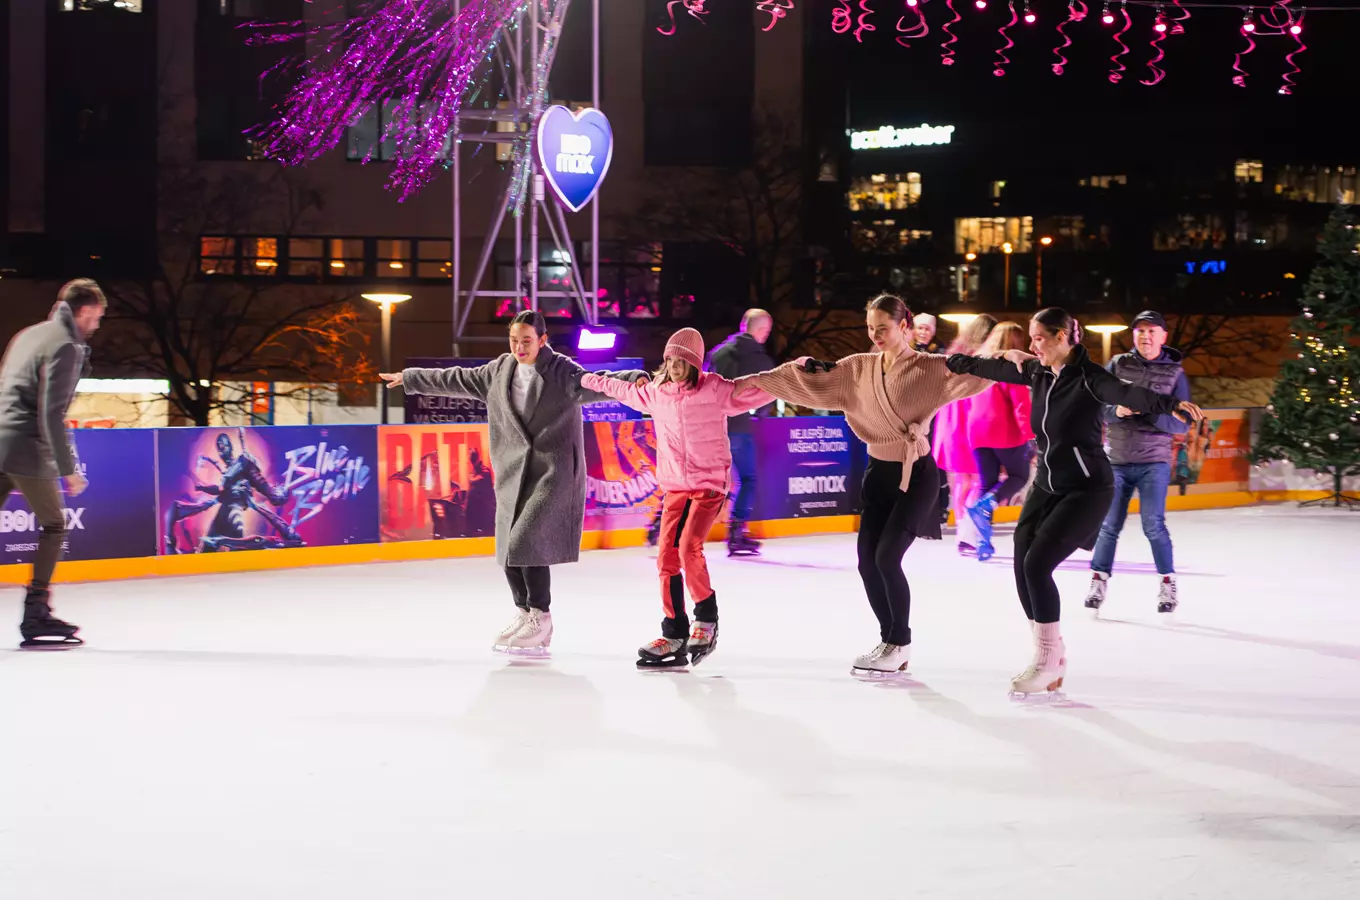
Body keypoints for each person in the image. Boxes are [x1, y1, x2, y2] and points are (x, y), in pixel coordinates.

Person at [946, 308, 1203, 695]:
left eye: (1039, 338)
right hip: (1047, 486)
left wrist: (1170, 405)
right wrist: (951, 360)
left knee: (1037, 565)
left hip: (1087, 489)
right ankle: (1051, 653)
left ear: (1063, 336)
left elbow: (1127, 393)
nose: (1032, 346)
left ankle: (1048, 661)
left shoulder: (1090, 377)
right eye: (1030, 339)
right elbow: (989, 369)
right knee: (1022, 559)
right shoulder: (1037, 372)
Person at [749, 295, 992, 678]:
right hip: (878, 474)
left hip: (916, 476)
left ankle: (900, 642)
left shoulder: (931, 367)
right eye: (870, 328)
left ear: (904, 326)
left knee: (886, 558)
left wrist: (1008, 361)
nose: (875, 335)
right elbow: (810, 384)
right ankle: (889, 642)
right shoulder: (857, 368)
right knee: (867, 563)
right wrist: (772, 376)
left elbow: (982, 375)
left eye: (883, 327)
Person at [381, 310, 644, 656]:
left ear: (542, 340)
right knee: (508, 550)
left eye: (527, 341)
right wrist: (411, 378)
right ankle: (524, 612)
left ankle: (541, 616)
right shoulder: (498, 372)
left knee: (526, 539)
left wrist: (635, 379)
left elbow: (597, 382)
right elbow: (455, 379)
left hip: (554, 470)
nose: (520, 347)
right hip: (513, 472)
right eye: (514, 341)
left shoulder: (561, 371)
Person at [580, 328, 774, 669]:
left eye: (680, 360)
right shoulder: (657, 393)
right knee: (666, 557)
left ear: (694, 363)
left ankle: (707, 618)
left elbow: (758, 387)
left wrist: (799, 371)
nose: (672, 365)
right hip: (675, 486)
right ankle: (674, 631)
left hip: (709, 484)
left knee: (688, 547)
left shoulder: (714, 389)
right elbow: (620, 388)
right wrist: (585, 379)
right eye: (669, 359)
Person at [0, 279, 104, 649]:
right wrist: (67, 468)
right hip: (25, 446)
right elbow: (51, 412)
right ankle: (35, 612)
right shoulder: (65, 345)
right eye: (98, 316)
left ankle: (36, 610)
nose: (98, 324)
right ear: (87, 310)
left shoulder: (30, 333)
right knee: (54, 525)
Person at [1085, 310, 1191, 614]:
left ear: (1163, 336)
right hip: (1116, 459)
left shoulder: (1175, 374)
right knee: (1108, 525)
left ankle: (1167, 585)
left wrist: (1153, 414)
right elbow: (1097, 406)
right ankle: (1098, 580)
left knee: (1153, 525)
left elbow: (1183, 423)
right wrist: (1115, 412)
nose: (1145, 336)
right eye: (1140, 331)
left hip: (1153, 462)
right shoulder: (1118, 364)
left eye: (1152, 331)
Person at [706, 308, 777, 556]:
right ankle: (736, 532)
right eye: (766, 331)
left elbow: (703, 387)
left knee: (704, 478)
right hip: (738, 428)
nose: (766, 336)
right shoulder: (760, 360)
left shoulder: (718, 353)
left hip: (712, 427)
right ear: (759, 330)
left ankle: (666, 520)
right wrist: (761, 412)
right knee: (748, 479)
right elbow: (766, 397)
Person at [963, 322, 1036, 561]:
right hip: (1003, 431)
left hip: (976, 432)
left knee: (987, 485)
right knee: (1019, 476)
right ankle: (987, 505)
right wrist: (1031, 438)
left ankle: (984, 544)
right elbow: (1021, 405)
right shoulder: (1012, 367)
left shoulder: (979, 363)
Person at [932, 315, 997, 555]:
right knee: (980, 479)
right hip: (971, 419)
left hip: (952, 420)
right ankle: (970, 532)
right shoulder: (983, 358)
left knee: (963, 480)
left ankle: (964, 532)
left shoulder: (955, 353)